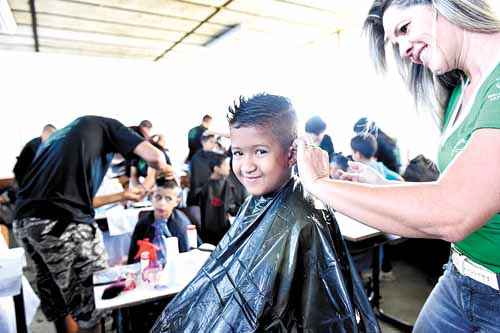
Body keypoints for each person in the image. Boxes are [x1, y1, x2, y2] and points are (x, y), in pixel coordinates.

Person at [296, 1, 500, 331]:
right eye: (395, 42)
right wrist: (384, 186)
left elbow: (455, 212)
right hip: (460, 275)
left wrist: (320, 184)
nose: (404, 50)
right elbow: (453, 188)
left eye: (404, 29)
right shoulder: (460, 90)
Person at [152, 93, 379, 332]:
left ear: (292, 154)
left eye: (260, 152)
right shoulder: (257, 202)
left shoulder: (306, 220)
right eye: (238, 153)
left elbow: (318, 317)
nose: (246, 166)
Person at [12, 116, 173, 333]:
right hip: (62, 223)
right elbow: (156, 157)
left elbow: (78, 198)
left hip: (25, 222)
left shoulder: (65, 137)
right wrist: (163, 169)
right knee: (96, 302)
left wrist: (122, 194)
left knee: (59, 300)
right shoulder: (109, 127)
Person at [127, 177, 191, 266]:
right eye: (158, 197)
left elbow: (187, 256)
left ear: (177, 201)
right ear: (151, 197)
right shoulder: (143, 223)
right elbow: (132, 257)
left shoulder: (181, 225)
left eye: (168, 199)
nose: (162, 203)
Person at [196, 153, 234, 245]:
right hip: (207, 234)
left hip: (224, 231)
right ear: (216, 168)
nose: (229, 168)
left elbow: (231, 206)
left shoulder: (228, 184)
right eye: (225, 165)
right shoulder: (204, 187)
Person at [186, 132, 219, 207]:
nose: (213, 145)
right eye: (211, 142)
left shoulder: (213, 155)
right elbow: (201, 178)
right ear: (203, 142)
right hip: (200, 196)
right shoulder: (197, 158)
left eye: (214, 142)